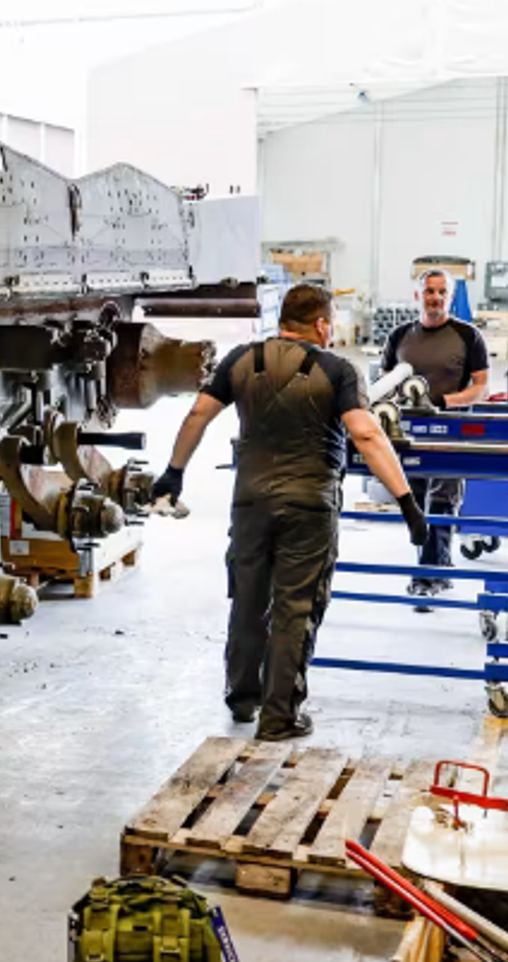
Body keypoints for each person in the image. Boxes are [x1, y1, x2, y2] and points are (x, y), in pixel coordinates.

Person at [149, 284, 429, 742]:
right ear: (321, 324)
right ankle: (279, 716)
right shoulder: (338, 369)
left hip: (250, 502)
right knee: (296, 607)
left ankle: (242, 699)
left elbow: (198, 413)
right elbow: (367, 435)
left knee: (247, 598)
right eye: (331, 321)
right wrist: (407, 502)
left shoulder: (241, 359)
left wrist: (173, 473)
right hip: (309, 505)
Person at [381, 269, 491, 606]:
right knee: (413, 503)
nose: (435, 297)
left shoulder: (468, 336)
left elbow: (481, 387)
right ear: (418, 295)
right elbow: (385, 382)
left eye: (442, 292)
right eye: (430, 291)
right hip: (407, 433)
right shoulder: (400, 336)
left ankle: (428, 577)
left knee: (442, 502)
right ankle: (437, 568)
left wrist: (443, 402)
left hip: (451, 431)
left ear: (450, 296)